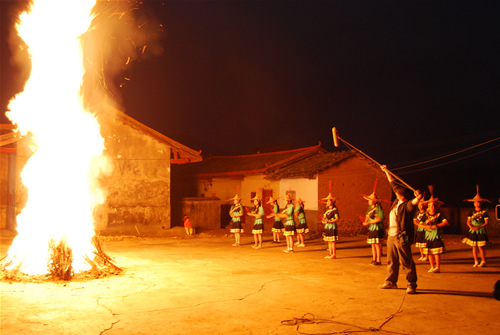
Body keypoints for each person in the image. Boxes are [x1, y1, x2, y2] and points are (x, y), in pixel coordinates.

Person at [379, 165, 422, 294]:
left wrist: (418, 197)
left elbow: (414, 202)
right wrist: (386, 171)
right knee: (391, 260)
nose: (394, 192)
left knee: (406, 261)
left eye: (396, 191)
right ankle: (391, 282)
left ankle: (411, 284)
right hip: (391, 235)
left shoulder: (407, 205)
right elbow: (392, 183)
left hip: (401, 236)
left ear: (400, 194)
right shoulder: (395, 203)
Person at [418, 194, 449, 273]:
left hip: (436, 236)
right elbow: (420, 224)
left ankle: (437, 267)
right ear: (428, 206)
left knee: (436, 252)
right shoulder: (425, 215)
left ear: (436, 207)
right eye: (430, 205)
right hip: (428, 236)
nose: (432, 207)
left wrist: (436, 225)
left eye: (433, 206)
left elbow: (446, 223)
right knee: (430, 252)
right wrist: (426, 226)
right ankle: (432, 266)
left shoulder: (439, 215)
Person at [462, 186, 491, 267]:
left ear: (480, 203)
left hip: (481, 230)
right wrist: (471, 227)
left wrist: (480, 226)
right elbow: (468, 221)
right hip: (473, 230)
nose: (476, 204)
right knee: (474, 247)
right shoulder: (471, 211)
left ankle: (483, 261)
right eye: (475, 202)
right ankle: (476, 261)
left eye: (478, 202)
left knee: (480, 247)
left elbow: (486, 222)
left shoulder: (484, 212)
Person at [360, 192, 384, 265]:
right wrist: (365, 222)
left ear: (374, 201)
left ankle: (378, 260)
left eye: (369, 200)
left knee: (377, 244)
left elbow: (379, 218)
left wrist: (369, 222)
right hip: (371, 228)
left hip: (376, 228)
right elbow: (368, 218)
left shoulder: (378, 208)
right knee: (373, 245)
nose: (368, 201)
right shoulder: (370, 209)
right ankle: (374, 259)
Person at [322, 192, 339, 259]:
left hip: (332, 226)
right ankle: (330, 253)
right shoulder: (326, 210)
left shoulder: (335, 210)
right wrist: (323, 221)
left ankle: (334, 254)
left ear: (332, 201)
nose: (328, 202)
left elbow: (337, 218)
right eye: (327, 201)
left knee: (332, 241)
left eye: (329, 200)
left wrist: (329, 221)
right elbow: (324, 218)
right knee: (329, 240)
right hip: (327, 226)